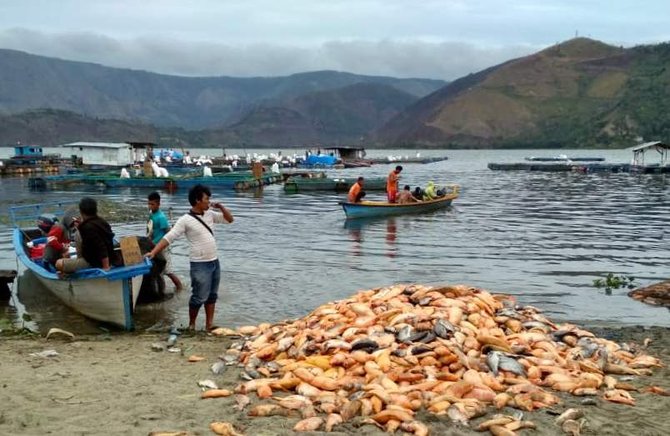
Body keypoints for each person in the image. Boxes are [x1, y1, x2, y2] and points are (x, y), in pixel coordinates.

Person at [146, 184, 234, 331]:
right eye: (206, 198)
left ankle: (209, 325)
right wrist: (154, 252)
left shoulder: (210, 214)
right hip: (199, 264)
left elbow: (230, 219)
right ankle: (191, 325)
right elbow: (169, 237)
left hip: (214, 261)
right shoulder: (185, 220)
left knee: (212, 295)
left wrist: (221, 207)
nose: (209, 201)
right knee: (199, 296)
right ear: (197, 200)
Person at [56, 197, 115, 274]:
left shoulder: (87, 227)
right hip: (109, 257)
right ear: (95, 210)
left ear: (81, 211)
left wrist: (106, 267)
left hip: (93, 262)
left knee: (59, 263)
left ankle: (71, 274)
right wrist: (81, 226)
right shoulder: (102, 221)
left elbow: (101, 247)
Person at [147, 192, 183, 291]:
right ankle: (161, 289)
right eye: (149, 204)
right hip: (153, 246)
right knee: (158, 271)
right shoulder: (151, 214)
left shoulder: (161, 217)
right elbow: (150, 230)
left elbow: (168, 233)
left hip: (162, 246)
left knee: (168, 271)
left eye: (152, 204)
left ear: (158, 204)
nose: (150, 206)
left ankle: (180, 288)